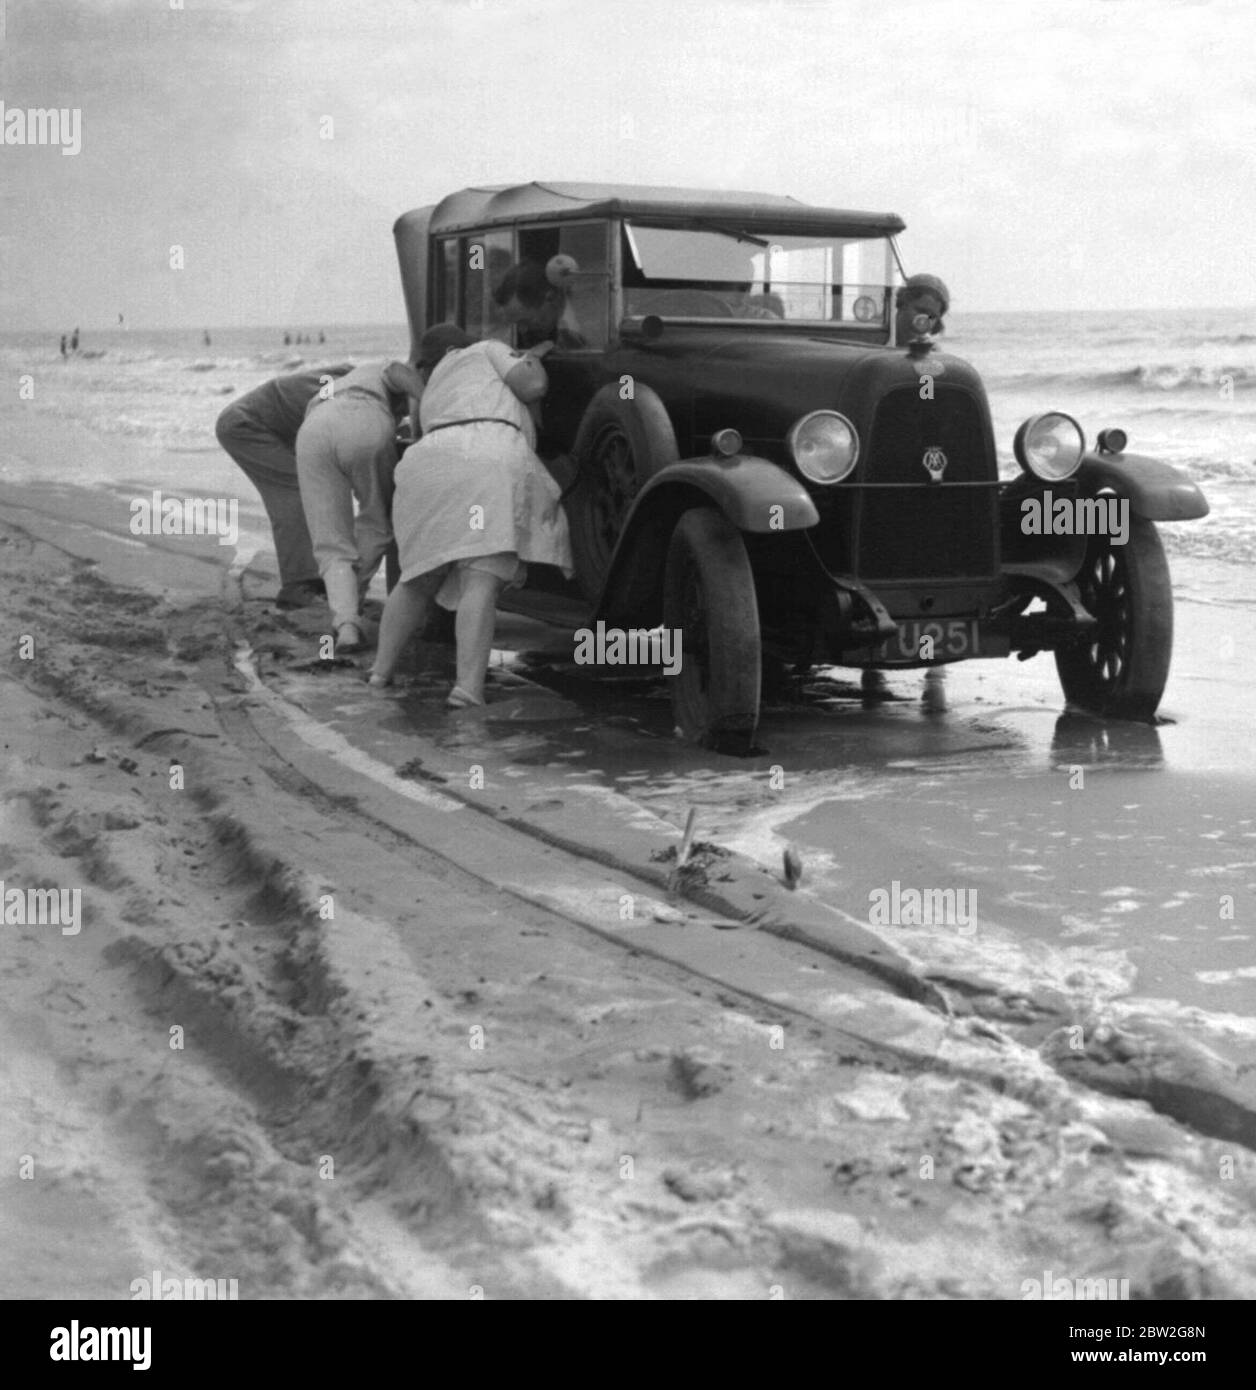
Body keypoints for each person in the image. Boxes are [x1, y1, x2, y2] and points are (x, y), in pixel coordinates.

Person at [369, 324, 573, 706]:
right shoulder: (484, 349)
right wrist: (531, 358)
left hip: (425, 465)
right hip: (484, 457)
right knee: (480, 574)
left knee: (418, 576)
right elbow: (532, 388)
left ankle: (381, 672)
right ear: (458, 345)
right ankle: (468, 688)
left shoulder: (429, 392)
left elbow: (416, 431)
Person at [295, 357, 424, 654]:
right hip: (364, 420)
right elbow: (397, 372)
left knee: (330, 543)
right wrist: (428, 402)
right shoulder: (386, 367)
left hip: (313, 429)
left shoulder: (344, 381)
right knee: (377, 523)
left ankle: (347, 623)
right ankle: (353, 603)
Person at [215, 364, 353, 607]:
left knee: (306, 490)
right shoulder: (347, 393)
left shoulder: (353, 381)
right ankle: (297, 585)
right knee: (294, 491)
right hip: (244, 425)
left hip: (270, 426)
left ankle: (312, 575)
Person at [492, 261, 585, 349]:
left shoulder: (585, 324)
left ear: (550, 298)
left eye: (525, 321)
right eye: (517, 324)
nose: (521, 330)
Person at [895, 273, 950, 345]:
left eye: (932, 316)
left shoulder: (932, 354)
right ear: (902, 304)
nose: (923, 321)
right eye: (920, 311)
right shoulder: (876, 342)